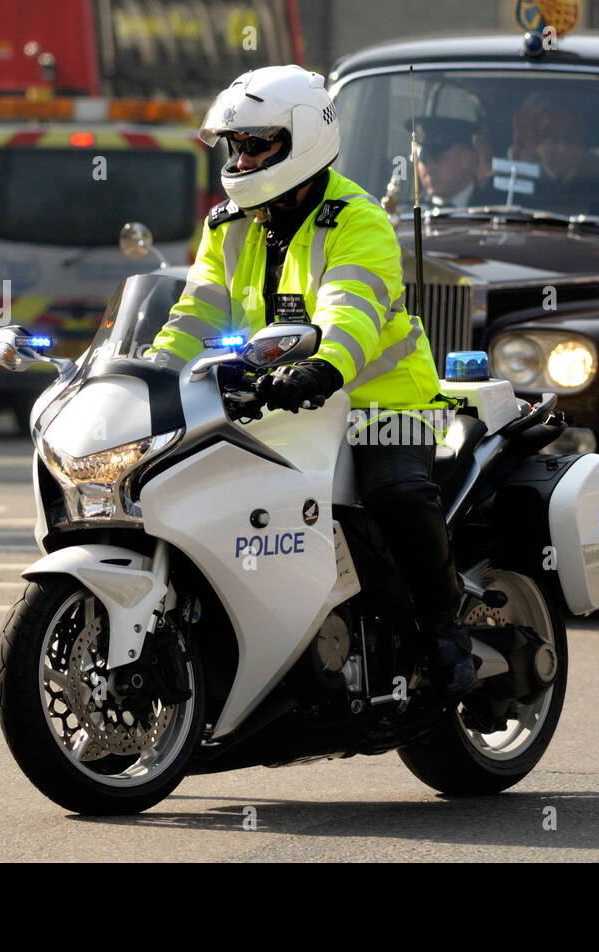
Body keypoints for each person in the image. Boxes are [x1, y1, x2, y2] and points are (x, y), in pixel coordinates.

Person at [147, 64, 475, 698]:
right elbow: (193, 315)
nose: (240, 159)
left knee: (396, 492)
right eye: (233, 145)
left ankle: (443, 629)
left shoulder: (358, 221)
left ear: (303, 139)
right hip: (272, 401)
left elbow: (350, 311)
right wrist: (155, 372)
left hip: (379, 404)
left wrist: (322, 367)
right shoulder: (229, 227)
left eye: (255, 144)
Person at [411, 117, 497, 207]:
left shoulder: (495, 209)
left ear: (466, 158)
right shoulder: (411, 214)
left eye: (438, 159)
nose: (429, 169)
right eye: (423, 160)